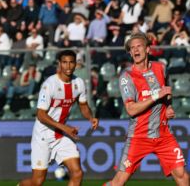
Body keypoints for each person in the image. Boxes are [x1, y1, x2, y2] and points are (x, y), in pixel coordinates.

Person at [105, 32, 189, 186]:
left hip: (164, 135)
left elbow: (166, 91)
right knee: (119, 181)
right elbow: (131, 109)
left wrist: (168, 106)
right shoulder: (127, 76)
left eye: (139, 46)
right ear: (130, 53)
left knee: (182, 175)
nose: (135, 50)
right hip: (139, 136)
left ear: (148, 49)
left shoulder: (160, 68)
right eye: (132, 48)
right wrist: (156, 96)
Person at [19, 50, 99, 186]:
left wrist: (91, 118)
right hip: (43, 136)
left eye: (71, 62)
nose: (68, 66)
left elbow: (84, 105)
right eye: (64, 63)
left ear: (76, 64)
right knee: (37, 181)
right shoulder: (49, 84)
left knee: (77, 173)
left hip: (61, 135)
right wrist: (65, 128)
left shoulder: (78, 83)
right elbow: (41, 115)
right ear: (59, 64)